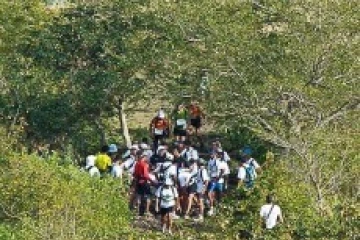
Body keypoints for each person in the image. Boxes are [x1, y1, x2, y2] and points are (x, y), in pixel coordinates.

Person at [133, 150, 154, 216]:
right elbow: (145, 175)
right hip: (144, 182)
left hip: (138, 182)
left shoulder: (137, 163)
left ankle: (137, 212)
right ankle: (146, 211)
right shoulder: (144, 164)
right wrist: (152, 181)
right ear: (143, 157)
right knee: (148, 196)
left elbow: (135, 174)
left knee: (138, 196)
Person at [207, 151, 226, 216]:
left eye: (212, 154)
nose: (210, 155)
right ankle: (212, 208)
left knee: (219, 195)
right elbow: (209, 170)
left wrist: (217, 178)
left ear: (215, 155)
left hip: (216, 180)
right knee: (210, 194)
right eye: (210, 154)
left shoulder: (218, 161)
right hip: (212, 179)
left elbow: (222, 170)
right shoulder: (209, 161)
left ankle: (219, 210)